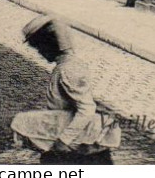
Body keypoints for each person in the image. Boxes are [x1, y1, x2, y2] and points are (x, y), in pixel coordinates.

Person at [11, 16, 121, 164]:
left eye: (39, 47)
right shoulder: (66, 66)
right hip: (76, 144)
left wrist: (64, 141)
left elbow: (86, 109)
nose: (40, 53)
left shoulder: (68, 69)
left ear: (50, 45)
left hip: (77, 148)